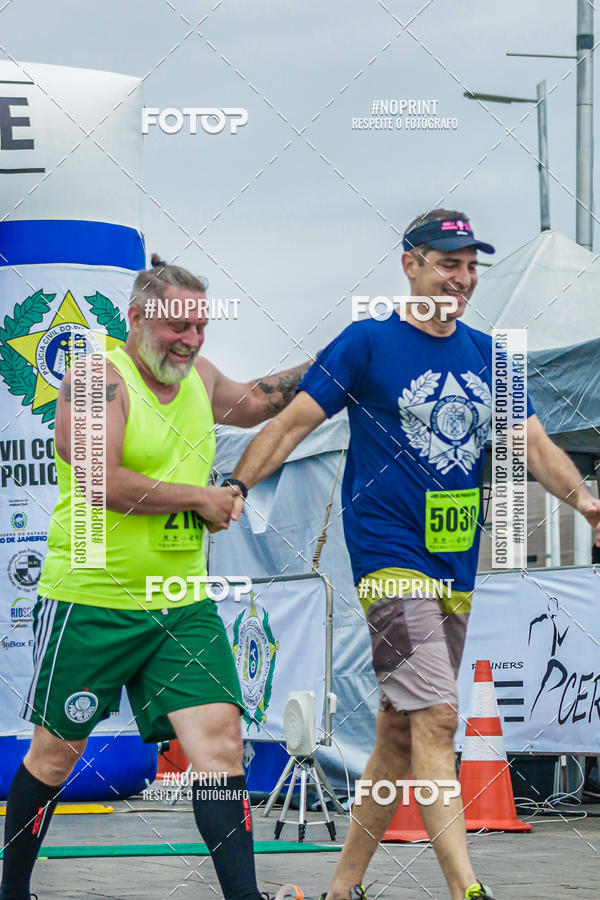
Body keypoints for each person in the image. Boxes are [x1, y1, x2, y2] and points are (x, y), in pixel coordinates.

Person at [225, 210, 600, 900]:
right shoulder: (367, 344)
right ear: (411, 265)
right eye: (447, 263)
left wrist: (585, 501)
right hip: (390, 560)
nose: (462, 279)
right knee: (438, 718)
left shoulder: (493, 355)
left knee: (398, 738)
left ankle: (343, 888)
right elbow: (292, 423)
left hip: (455, 564)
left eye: (469, 266)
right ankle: (467, 888)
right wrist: (239, 483)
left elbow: (535, 445)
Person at [0, 255, 309, 900]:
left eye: (200, 327)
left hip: (180, 603)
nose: (191, 341)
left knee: (221, 745)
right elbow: (98, 478)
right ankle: (11, 889)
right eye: (178, 328)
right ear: (138, 318)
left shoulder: (198, 376)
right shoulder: (94, 381)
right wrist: (197, 498)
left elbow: (253, 403)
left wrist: (339, 359)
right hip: (92, 599)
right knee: (54, 758)